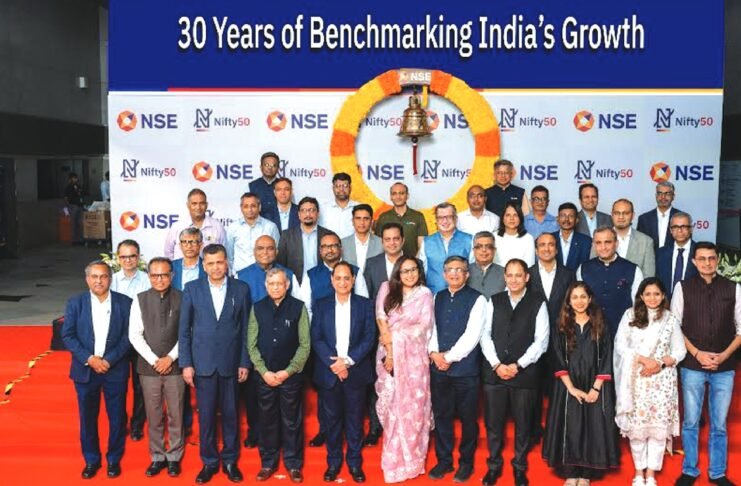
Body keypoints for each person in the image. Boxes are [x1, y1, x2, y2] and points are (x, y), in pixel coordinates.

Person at [178, 244, 251, 484]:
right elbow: (184, 331)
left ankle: (230, 461)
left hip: (232, 363)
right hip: (203, 365)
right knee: (206, 417)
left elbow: (246, 329)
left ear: (226, 262)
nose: (216, 267)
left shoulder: (241, 289)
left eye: (220, 262)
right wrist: (186, 363)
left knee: (231, 415)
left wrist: (244, 361)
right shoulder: (192, 289)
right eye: (210, 263)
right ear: (204, 265)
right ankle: (209, 462)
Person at [671, 242, 741, 486]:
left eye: (711, 258)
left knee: (719, 424)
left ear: (717, 260)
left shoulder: (734, 288)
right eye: (702, 259)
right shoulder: (683, 288)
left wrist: (723, 355)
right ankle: (689, 470)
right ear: (694, 261)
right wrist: (697, 353)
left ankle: (718, 473)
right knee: (691, 422)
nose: (707, 263)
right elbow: (675, 327)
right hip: (692, 365)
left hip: (724, 367)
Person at [542, 282, 620, 484]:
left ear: (590, 298)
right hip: (568, 385)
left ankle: (586, 474)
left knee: (593, 427)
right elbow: (557, 356)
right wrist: (571, 388)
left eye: (583, 297)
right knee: (572, 427)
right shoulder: (561, 325)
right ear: (568, 301)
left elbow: (608, 355)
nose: (579, 301)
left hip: (595, 384)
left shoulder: (600, 324)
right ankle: (571, 473)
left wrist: (596, 387)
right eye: (575, 297)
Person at [480, 259, 549, 486]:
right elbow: (485, 335)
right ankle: (493, 466)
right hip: (495, 373)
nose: (514, 280)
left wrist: (518, 365)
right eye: (509, 275)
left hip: (525, 374)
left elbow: (541, 341)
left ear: (527, 277)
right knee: (494, 424)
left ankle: (519, 467)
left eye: (519, 275)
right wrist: (497, 364)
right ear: (505, 278)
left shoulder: (538, 302)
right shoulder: (495, 300)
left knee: (523, 425)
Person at [61, 260, 132, 479]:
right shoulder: (76, 303)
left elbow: (129, 336)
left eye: (103, 276)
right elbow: (67, 335)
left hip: (115, 369)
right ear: (87, 279)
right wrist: (89, 358)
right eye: (94, 277)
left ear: (110, 279)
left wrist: (109, 360)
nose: (99, 281)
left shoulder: (125, 303)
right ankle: (91, 460)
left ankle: (114, 459)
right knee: (87, 418)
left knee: (117, 417)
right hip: (85, 371)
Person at [614, 278, 686, 486]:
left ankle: (651, 474)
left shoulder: (670, 320)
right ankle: (639, 472)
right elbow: (620, 345)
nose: (652, 298)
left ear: (663, 296)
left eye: (656, 294)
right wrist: (643, 359)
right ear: (641, 296)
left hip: (662, 382)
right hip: (636, 380)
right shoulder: (630, 315)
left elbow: (679, 351)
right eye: (648, 294)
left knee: (657, 429)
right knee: (637, 429)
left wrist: (659, 363)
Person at [311, 262, 375, 483]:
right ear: (332, 280)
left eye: (346, 278)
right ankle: (333, 463)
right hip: (329, 372)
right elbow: (316, 337)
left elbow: (369, 338)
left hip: (355, 372)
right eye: (338, 278)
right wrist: (335, 364)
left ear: (353, 280)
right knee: (332, 421)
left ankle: (355, 464)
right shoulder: (321, 305)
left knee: (355, 421)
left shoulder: (365, 305)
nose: (342, 282)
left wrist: (347, 362)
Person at [247, 267, 310, 484]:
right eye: (271, 284)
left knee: (292, 421)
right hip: (265, 376)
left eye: (279, 283)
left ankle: (293, 464)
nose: (275, 287)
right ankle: (268, 463)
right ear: (266, 286)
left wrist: (288, 371)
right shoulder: (257, 308)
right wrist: (263, 371)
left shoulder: (298, 307)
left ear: (287, 285)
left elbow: (305, 345)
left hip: (290, 376)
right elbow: (251, 344)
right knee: (267, 420)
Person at [237, 234, 300, 448]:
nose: (265, 252)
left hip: (284, 345)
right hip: (253, 344)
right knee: (254, 396)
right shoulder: (241, 275)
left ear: (277, 251)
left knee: (286, 400)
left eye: (270, 248)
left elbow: (299, 308)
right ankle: (255, 433)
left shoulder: (288, 274)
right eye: (260, 248)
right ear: (254, 251)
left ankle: (282, 439)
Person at [375, 255, 434, 482]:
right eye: (405, 270)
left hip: (415, 361)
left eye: (413, 270)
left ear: (419, 272)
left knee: (413, 410)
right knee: (393, 407)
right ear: (398, 273)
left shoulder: (425, 294)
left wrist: (396, 338)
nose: (409, 274)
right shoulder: (387, 288)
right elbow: (381, 320)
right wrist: (391, 353)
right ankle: (393, 462)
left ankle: (412, 461)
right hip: (388, 355)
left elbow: (424, 327)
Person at [428, 256, 486, 483]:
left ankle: (466, 463)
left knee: (468, 419)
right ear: (444, 274)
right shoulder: (438, 297)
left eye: (459, 270)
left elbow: (472, 336)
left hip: (465, 371)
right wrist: (434, 353)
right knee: (442, 416)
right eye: (450, 270)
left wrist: (448, 358)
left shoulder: (478, 299)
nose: (454, 273)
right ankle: (444, 460)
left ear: (467, 274)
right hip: (438, 369)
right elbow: (431, 328)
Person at [128, 257, 185, 478]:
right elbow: (135, 335)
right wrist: (155, 360)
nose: (159, 279)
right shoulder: (140, 299)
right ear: (149, 276)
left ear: (172, 275)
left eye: (164, 275)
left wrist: (170, 358)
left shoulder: (183, 298)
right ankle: (157, 456)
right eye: (154, 275)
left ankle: (174, 456)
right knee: (154, 414)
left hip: (176, 366)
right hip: (148, 367)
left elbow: (187, 332)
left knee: (176, 413)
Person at [362, 222, 410, 447]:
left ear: (402, 240)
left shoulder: (412, 264)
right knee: (378, 381)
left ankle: (401, 425)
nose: (392, 243)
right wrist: (380, 331)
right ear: (382, 242)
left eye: (396, 238)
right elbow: (367, 299)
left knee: (403, 381)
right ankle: (375, 426)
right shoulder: (372, 264)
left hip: (406, 336)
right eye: (387, 239)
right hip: (377, 334)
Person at [528, 232, 576, 444]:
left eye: (550, 245)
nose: (546, 249)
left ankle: (558, 431)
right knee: (534, 388)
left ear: (556, 249)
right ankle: (534, 431)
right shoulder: (528, 274)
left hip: (561, 338)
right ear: (536, 250)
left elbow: (574, 306)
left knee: (560, 386)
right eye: (542, 245)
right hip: (533, 340)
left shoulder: (568, 274)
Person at [110, 239, 150, 441]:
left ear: (138, 257)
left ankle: (137, 425)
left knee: (140, 386)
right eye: (124, 256)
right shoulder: (111, 280)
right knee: (117, 385)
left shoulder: (148, 280)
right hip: (117, 340)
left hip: (141, 339)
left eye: (132, 256)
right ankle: (119, 423)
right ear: (118, 258)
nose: (128, 260)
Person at [577, 227, 643, 337]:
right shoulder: (583, 269)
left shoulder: (633, 270)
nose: (603, 247)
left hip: (623, 333)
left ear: (616, 244)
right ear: (593, 245)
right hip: (591, 333)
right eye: (598, 243)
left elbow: (638, 306)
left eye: (607, 242)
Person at [300, 233, 360, 320]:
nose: (329, 250)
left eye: (333, 246)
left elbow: (363, 304)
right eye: (325, 247)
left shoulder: (355, 271)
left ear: (340, 248)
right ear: (320, 250)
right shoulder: (310, 275)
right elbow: (305, 308)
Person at [277, 196, 335, 285]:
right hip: (295, 284)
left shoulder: (328, 235)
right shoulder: (287, 235)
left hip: (322, 283)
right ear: (299, 214)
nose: (308, 214)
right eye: (303, 210)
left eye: (311, 210)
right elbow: (280, 264)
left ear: (318, 213)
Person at [418, 202, 473, 294]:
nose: (445, 221)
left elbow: (473, 270)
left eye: (449, 217)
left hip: (462, 295)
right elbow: (423, 272)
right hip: (433, 295)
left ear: (455, 218)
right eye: (440, 218)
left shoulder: (469, 240)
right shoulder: (427, 242)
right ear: (436, 220)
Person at [225, 192, 280, 273]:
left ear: (259, 207)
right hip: (240, 275)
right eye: (246, 206)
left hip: (265, 274)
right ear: (241, 208)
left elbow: (276, 253)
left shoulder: (270, 227)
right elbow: (229, 256)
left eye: (253, 206)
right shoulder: (233, 228)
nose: (249, 209)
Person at [164, 188, 226, 260]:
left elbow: (224, 252)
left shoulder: (217, 226)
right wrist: (178, 265)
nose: (198, 207)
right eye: (194, 203)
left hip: (209, 267)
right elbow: (168, 252)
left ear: (206, 205)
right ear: (188, 205)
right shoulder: (177, 227)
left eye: (202, 203)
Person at [374, 182, 428, 257]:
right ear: (391, 197)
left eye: (401, 193)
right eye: (394, 193)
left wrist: (415, 262)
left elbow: (422, 247)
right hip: (389, 262)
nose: (398, 197)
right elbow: (378, 245)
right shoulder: (383, 217)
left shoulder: (418, 216)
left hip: (412, 262)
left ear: (407, 196)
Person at [341, 204, 383, 297]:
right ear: (352, 221)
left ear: (372, 221)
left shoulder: (381, 243)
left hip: (376, 293)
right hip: (349, 293)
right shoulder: (342, 244)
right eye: (358, 218)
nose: (362, 222)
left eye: (366, 219)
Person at [609, 199, 656, 278]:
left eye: (626, 213)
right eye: (617, 213)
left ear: (633, 215)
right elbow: (592, 270)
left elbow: (649, 277)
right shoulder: (599, 239)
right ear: (612, 215)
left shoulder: (646, 242)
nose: (621, 217)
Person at [656, 212, 697, 300]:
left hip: (693, 303)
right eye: (675, 227)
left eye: (684, 226)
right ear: (670, 230)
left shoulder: (700, 252)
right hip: (665, 304)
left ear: (691, 229)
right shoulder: (660, 253)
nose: (679, 230)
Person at [637, 181, 682, 252]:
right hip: (650, 258)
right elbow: (639, 245)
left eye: (667, 194)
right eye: (660, 193)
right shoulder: (644, 219)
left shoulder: (682, 218)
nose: (663, 197)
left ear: (673, 196)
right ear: (656, 196)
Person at [493, 201, 535, 268]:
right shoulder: (494, 237)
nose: (511, 218)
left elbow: (529, 264)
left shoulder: (528, 238)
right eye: (508, 215)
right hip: (498, 273)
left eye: (515, 215)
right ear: (503, 218)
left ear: (520, 218)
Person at [319, 173, 359, 239]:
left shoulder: (359, 208)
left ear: (350, 188)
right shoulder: (323, 209)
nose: (341, 189)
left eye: (345, 186)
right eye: (337, 186)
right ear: (333, 188)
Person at [553, 202, 592, 272]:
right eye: (563, 216)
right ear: (557, 219)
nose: (566, 219)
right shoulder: (550, 239)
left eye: (571, 216)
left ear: (577, 220)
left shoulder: (586, 241)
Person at [467, 231, 505, 299]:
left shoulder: (505, 273)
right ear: (474, 250)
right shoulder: (464, 271)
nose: (484, 250)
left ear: (494, 250)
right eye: (479, 247)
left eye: (488, 247)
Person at [249, 151, 280, 219]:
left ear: (278, 168)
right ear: (261, 167)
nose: (270, 168)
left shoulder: (284, 186)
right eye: (266, 165)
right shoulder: (251, 186)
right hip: (258, 224)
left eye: (273, 165)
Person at [65, 172, 85, 244]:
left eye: (76, 178)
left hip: (80, 205)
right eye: (74, 178)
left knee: (80, 223)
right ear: (70, 179)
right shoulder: (68, 187)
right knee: (73, 223)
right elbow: (66, 197)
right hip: (73, 205)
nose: (75, 179)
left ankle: (81, 239)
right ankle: (74, 240)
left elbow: (81, 194)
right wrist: (67, 206)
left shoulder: (78, 186)